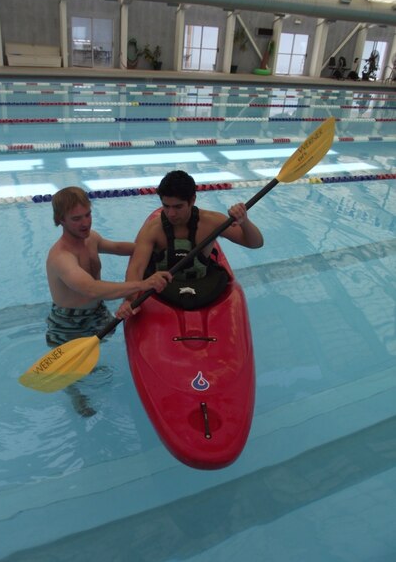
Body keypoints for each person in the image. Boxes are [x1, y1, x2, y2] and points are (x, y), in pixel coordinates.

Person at [46, 186, 171, 417]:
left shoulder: (90, 238)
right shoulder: (61, 257)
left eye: (88, 215)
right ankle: (76, 396)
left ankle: (89, 367)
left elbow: (117, 247)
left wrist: (153, 248)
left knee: (92, 355)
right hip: (69, 324)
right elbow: (92, 288)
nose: (85, 223)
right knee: (70, 372)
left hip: (96, 313)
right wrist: (143, 284)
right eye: (76, 219)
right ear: (60, 220)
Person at [116, 170, 263, 318]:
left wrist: (244, 222)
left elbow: (255, 243)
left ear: (192, 200)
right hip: (163, 289)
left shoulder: (211, 223)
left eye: (178, 207)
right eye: (166, 206)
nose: (171, 213)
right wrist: (130, 301)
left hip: (202, 283)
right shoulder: (153, 229)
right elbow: (136, 268)